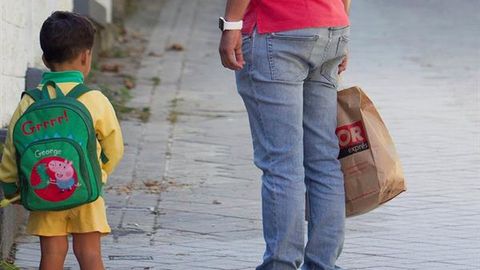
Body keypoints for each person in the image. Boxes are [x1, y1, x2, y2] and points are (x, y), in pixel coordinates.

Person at [219, 0, 351, 269]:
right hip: (332, 27)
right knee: (324, 161)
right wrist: (338, 26)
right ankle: (323, 264)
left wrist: (231, 24)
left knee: (282, 163)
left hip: (276, 30)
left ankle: (281, 264)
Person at [0, 11, 124, 270]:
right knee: (90, 254)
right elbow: (114, 147)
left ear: (45, 59)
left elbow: (13, 148)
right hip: (86, 192)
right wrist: (97, 173)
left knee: (52, 255)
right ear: (85, 56)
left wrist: (13, 190)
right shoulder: (94, 100)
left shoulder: (29, 102)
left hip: (45, 190)